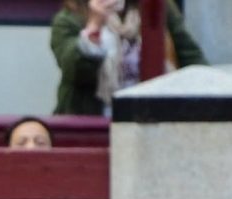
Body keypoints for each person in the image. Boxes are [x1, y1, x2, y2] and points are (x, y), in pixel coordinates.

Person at [51, 0, 206, 116]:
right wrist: (94, 25)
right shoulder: (68, 19)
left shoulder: (157, 7)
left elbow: (192, 60)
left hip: (155, 116)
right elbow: (74, 70)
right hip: (95, 121)